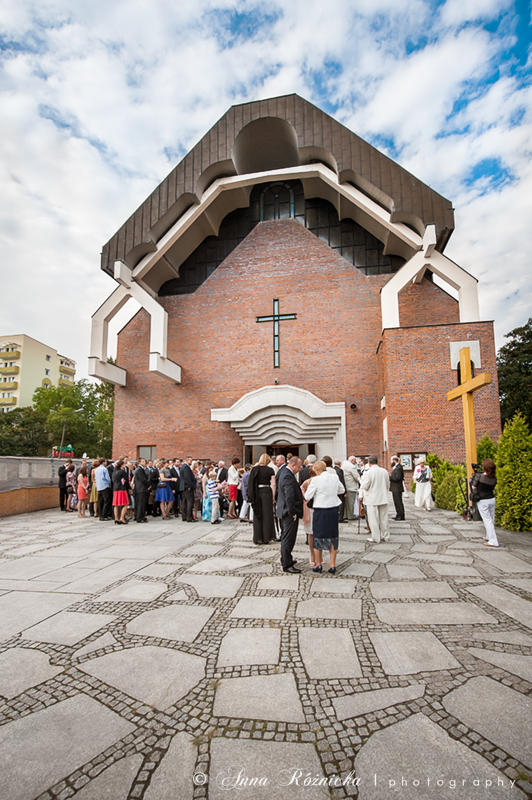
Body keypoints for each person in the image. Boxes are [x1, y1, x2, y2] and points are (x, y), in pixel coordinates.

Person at [305, 460, 345, 574]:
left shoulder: (316, 480)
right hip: (333, 509)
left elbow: (308, 495)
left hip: (320, 510)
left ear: (317, 471)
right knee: (333, 536)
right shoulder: (334, 477)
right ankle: (332, 565)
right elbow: (341, 490)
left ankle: (318, 564)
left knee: (318, 536)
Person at [276, 456, 304, 573]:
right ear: (292, 465)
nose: (299, 469)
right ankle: (287, 564)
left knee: (286, 537)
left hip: (284, 509)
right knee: (288, 538)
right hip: (288, 512)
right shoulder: (287, 475)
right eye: (298, 467)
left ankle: (287, 559)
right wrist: (292, 512)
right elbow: (289, 495)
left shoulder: (284, 472)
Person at [247, 453, 276, 544]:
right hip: (267, 491)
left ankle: (258, 537)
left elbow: (250, 482)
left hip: (257, 492)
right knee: (267, 515)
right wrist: (273, 496)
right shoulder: (270, 470)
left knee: (257, 514)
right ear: (268, 460)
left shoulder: (255, 469)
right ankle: (266, 537)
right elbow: (274, 484)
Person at [360, 455, 390, 543]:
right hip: (383, 497)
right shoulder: (384, 471)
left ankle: (376, 537)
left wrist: (361, 481)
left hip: (372, 498)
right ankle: (386, 536)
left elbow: (365, 486)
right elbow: (387, 482)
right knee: (384, 518)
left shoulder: (368, 473)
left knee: (373, 519)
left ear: (369, 462)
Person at [471, 459, 499, 547]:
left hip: (482, 500)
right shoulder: (494, 478)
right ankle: (488, 536)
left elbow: (473, 486)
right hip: (492, 499)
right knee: (491, 519)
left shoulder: (479, 477)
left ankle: (493, 541)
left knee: (487, 521)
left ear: (484, 468)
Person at [301, 464, 317, 565]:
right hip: (310, 507)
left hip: (320, 507)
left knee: (318, 533)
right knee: (311, 532)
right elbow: (302, 491)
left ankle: (317, 555)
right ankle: (312, 554)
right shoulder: (307, 482)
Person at [341, 456, 360, 521]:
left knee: (346, 504)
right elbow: (356, 477)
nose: (355, 463)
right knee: (351, 503)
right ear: (352, 460)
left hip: (345, 486)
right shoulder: (352, 467)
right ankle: (351, 516)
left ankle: (345, 515)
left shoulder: (344, 465)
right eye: (355, 461)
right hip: (351, 487)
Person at [112, 459, 130, 525]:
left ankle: (116, 518)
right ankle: (122, 518)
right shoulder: (122, 471)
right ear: (122, 465)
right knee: (125, 504)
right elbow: (127, 479)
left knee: (116, 505)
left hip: (115, 488)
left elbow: (113, 480)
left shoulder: (114, 471)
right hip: (122, 488)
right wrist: (129, 487)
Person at [180, 457, 197, 522]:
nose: (191, 461)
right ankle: (189, 517)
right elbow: (187, 478)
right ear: (187, 460)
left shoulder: (182, 466)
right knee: (190, 502)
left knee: (184, 502)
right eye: (190, 460)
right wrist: (190, 486)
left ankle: (184, 517)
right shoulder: (186, 467)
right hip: (187, 487)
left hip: (183, 487)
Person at [134, 458, 150, 522]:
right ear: (139, 462)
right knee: (141, 504)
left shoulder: (141, 469)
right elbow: (143, 479)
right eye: (143, 461)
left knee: (143, 504)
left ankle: (141, 516)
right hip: (141, 489)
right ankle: (140, 517)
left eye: (145, 461)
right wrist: (149, 485)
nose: (144, 463)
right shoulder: (139, 470)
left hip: (142, 488)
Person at [390, 456, 405, 520]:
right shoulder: (396, 467)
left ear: (394, 461)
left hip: (397, 487)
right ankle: (398, 514)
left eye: (391, 461)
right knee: (396, 502)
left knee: (398, 502)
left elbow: (398, 478)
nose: (390, 462)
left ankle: (401, 515)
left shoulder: (399, 468)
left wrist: (390, 478)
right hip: (394, 487)